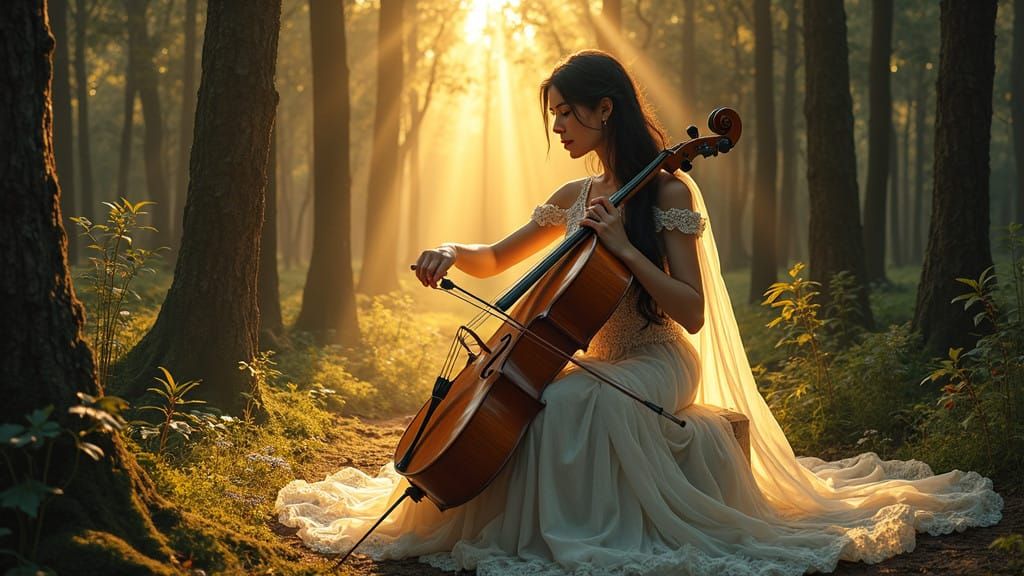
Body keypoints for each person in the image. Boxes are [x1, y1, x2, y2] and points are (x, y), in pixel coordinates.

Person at [276, 50, 1001, 576]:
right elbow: (494, 257)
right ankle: (550, 528)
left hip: (655, 363)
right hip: (595, 360)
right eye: (553, 112)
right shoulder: (571, 196)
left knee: (563, 405)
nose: (558, 125)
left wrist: (625, 246)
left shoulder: (668, 197)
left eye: (567, 111)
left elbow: (688, 313)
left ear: (605, 109)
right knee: (546, 399)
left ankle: (576, 535)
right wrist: (445, 249)